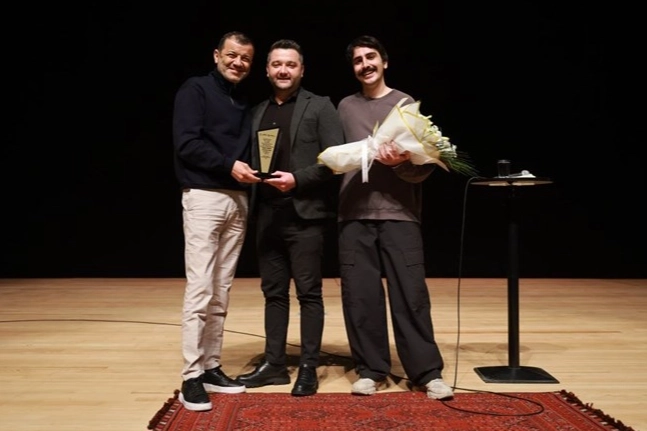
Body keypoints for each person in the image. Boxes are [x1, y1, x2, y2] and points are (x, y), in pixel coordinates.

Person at [336, 35, 454, 400]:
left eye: (371, 57)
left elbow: (424, 167)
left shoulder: (405, 104)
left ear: (384, 61)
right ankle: (371, 370)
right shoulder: (345, 107)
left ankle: (427, 372)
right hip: (353, 213)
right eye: (358, 60)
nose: (365, 64)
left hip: (400, 214)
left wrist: (401, 162)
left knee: (411, 294)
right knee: (360, 296)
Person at [234, 39, 344, 396]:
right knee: (273, 293)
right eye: (277, 64)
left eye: (290, 64)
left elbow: (335, 161)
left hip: (305, 215)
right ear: (267, 70)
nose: (283, 70)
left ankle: (309, 367)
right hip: (267, 214)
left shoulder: (320, 106)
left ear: (302, 70)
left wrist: (298, 179)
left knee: (309, 294)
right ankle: (275, 365)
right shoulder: (256, 111)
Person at [172, 31, 261, 411]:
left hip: (238, 199)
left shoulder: (243, 99)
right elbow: (187, 143)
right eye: (232, 55)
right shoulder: (195, 90)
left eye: (245, 58)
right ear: (216, 55)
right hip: (204, 196)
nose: (237, 62)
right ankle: (191, 376)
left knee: (221, 290)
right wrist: (229, 166)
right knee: (200, 289)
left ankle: (211, 366)